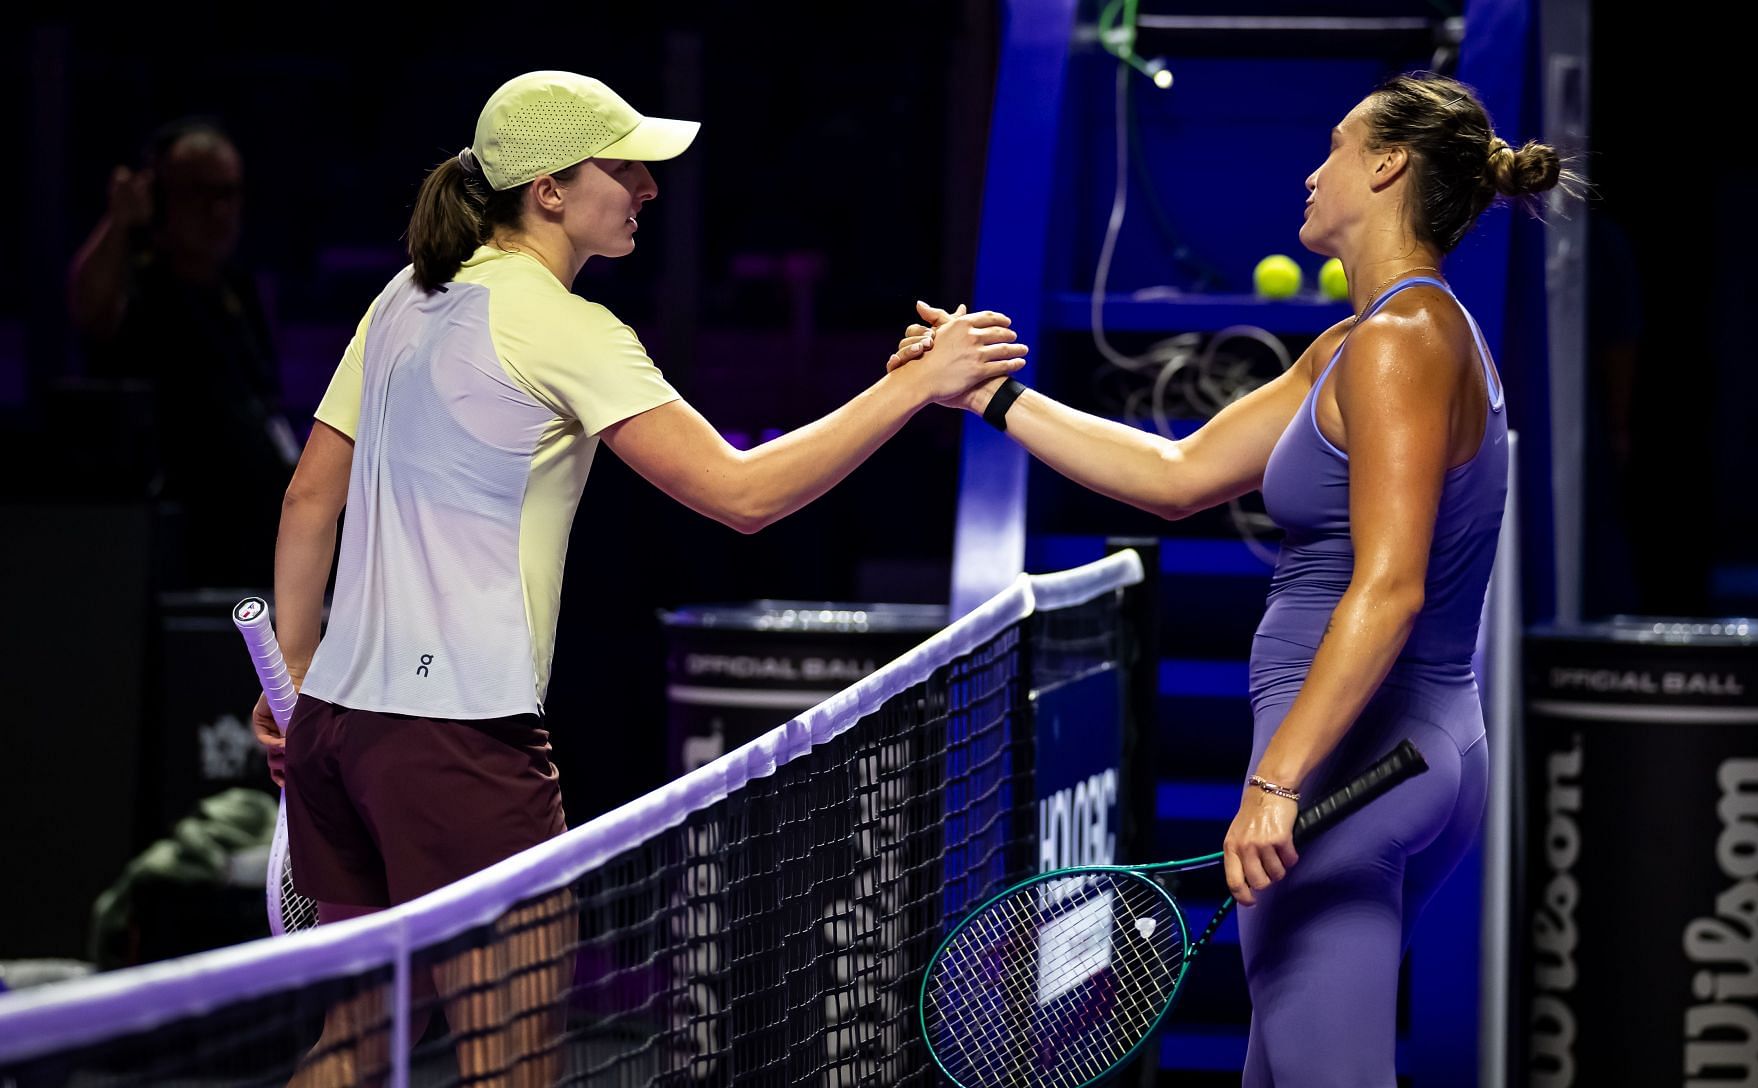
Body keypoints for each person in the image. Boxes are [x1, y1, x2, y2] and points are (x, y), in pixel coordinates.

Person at [249, 70, 1025, 1084]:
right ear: (550, 191)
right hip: (457, 741)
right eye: (625, 168)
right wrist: (922, 388)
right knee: (514, 1059)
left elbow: (309, 498)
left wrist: (296, 682)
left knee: (363, 1032)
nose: (649, 190)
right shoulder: (566, 328)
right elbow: (743, 495)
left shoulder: (405, 298)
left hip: (341, 729)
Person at [892, 72, 1575, 1085]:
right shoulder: (1366, 342)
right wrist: (993, 396)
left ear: (1388, 164)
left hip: (1354, 768)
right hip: (1399, 755)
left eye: (1336, 145)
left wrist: (1277, 778)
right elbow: (1174, 475)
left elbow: (1389, 588)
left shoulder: (1397, 344)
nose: (1311, 171)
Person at [68, 117, 298, 587]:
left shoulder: (238, 288)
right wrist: (120, 219)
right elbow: (89, 310)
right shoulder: (138, 280)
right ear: (159, 198)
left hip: (251, 537)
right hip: (176, 543)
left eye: (228, 193)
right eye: (198, 193)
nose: (217, 211)